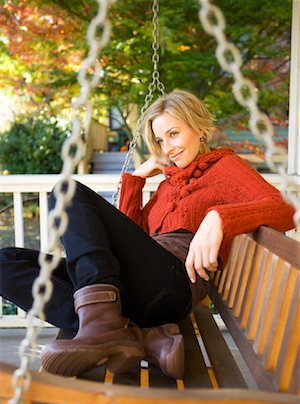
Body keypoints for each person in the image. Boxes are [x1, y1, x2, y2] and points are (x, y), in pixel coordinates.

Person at [0, 90, 295, 380]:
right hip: (137, 285)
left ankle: (105, 323)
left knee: (66, 192)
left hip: (174, 284)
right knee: (6, 262)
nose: (167, 148)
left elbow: (285, 209)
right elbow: (130, 237)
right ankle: (135, 335)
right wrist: (136, 180)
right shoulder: (168, 184)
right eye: (159, 140)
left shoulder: (224, 168)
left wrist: (219, 218)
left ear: (199, 128)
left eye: (174, 134)